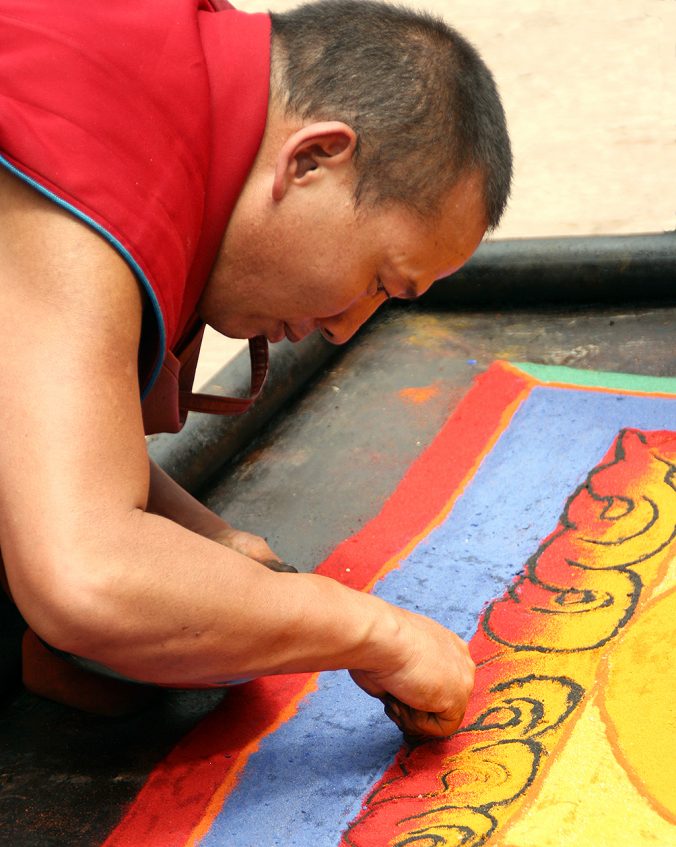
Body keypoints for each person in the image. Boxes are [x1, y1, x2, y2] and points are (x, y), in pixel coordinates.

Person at [0, 0, 511, 735]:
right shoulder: (105, 130)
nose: (343, 329)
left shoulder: (176, 76)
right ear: (311, 159)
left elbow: (30, 402)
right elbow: (86, 579)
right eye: (378, 280)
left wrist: (205, 541)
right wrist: (369, 631)